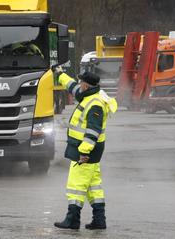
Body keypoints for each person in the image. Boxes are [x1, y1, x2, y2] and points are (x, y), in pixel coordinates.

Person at [53, 69, 118, 230]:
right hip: (91, 151)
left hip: (86, 151)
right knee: (94, 186)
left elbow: (92, 132)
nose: (79, 84)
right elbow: (72, 87)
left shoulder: (95, 104)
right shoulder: (90, 94)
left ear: (86, 85)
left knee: (76, 185)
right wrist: (60, 74)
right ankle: (99, 220)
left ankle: (72, 220)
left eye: (81, 82)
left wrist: (84, 152)